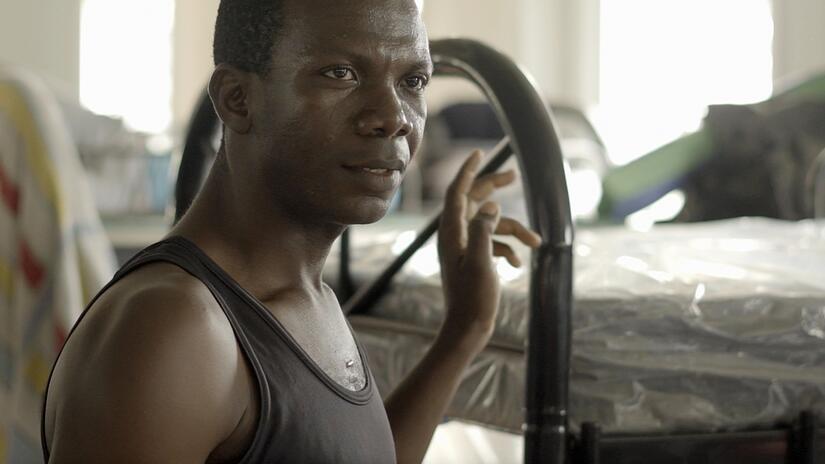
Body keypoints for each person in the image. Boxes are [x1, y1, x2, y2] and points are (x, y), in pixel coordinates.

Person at [41, 0, 541, 462]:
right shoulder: (175, 327)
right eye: (340, 73)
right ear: (237, 100)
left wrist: (465, 329)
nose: (393, 118)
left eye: (413, 82)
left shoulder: (303, 293)